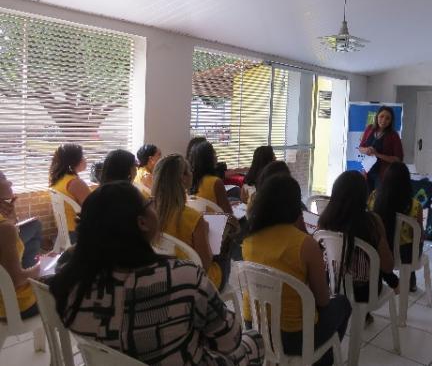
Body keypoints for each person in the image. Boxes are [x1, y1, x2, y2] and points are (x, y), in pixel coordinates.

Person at [50, 181, 264, 366]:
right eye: (149, 204)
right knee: (253, 340)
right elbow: (229, 341)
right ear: (142, 222)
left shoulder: (72, 284)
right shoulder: (182, 278)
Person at [242, 174, 351, 366]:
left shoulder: (248, 240)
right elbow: (323, 301)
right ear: (295, 206)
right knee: (343, 304)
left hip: (254, 326)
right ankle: (320, 360)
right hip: (293, 337)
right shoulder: (305, 244)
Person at [318, 170, 399, 323]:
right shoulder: (372, 223)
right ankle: (365, 314)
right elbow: (388, 266)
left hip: (332, 286)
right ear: (364, 196)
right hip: (365, 293)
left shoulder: (324, 221)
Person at [152, 154, 231, 291]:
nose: (192, 174)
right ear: (183, 178)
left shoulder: (150, 211)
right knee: (226, 252)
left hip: (166, 274)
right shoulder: (194, 219)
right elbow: (204, 265)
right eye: (189, 171)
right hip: (199, 283)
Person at [371, 161, 424, 292]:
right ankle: (410, 278)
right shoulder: (415, 206)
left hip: (379, 250)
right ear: (407, 182)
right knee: (416, 241)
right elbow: (419, 236)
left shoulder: (374, 197)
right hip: (405, 255)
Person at [0, 171, 41, 319]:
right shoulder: (5, 228)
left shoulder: (6, 225)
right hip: (12, 306)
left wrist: (11, 218)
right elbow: (15, 280)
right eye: (4, 178)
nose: (10, 183)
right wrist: (41, 268)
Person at [49, 143, 90, 242]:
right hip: (77, 232)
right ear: (74, 161)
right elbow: (92, 210)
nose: (85, 159)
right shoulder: (75, 183)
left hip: (64, 230)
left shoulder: (56, 178)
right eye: (82, 156)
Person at [358, 106, 403, 191]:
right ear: (377, 116)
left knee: (379, 201)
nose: (383, 120)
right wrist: (366, 150)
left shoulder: (394, 135)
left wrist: (377, 154)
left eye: (387, 118)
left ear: (391, 121)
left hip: (383, 175)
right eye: (381, 116)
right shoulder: (369, 128)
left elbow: (398, 159)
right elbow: (360, 147)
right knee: (366, 199)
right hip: (367, 172)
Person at [189, 141, 233, 214]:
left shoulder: (189, 181)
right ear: (208, 159)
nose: (216, 156)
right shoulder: (216, 182)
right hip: (217, 222)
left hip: (199, 220)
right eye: (214, 153)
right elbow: (229, 214)